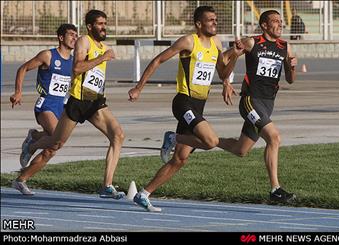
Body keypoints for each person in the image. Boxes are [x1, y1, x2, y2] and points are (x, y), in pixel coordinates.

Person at [128, 6, 243, 212]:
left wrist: (234, 57)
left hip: (199, 105)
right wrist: (138, 87)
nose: (215, 23)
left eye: (216, 19)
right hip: (184, 102)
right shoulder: (189, 41)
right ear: (199, 24)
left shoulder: (216, 43)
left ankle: (143, 194)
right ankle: (173, 138)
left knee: (180, 159)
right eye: (210, 20)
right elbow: (158, 60)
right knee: (211, 141)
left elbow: (223, 70)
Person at [20, 10, 126, 199]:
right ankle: (31, 144)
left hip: (95, 101)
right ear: (90, 26)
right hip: (74, 102)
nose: (104, 27)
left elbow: (92, 75)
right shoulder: (83, 42)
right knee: (55, 143)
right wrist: (103, 58)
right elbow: (77, 68)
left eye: (105, 23)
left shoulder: (103, 47)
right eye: (100, 24)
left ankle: (107, 186)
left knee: (118, 135)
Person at [218, 10, 297, 204]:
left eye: (281, 22)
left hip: (268, 104)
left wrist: (292, 66)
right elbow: (223, 59)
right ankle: (275, 189)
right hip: (250, 101)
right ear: (264, 25)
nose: (280, 25)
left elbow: (290, 79)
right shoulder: (251, 42)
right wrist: (226, 82)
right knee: (274, 138)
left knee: (240, 149)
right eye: (275, 21)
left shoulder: (285, 47)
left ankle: (198, 139)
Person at [10, 24, 78, 195]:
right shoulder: (48, 55)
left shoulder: (74, 61)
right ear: (61, 37)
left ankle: (21, 180)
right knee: (57, 138)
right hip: (46, 104)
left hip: (62, 106)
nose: (74, 38)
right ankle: (32, 144)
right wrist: (18, 92)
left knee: (52, 149)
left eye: (76, 35)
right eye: (71, 34)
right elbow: (23, 68)